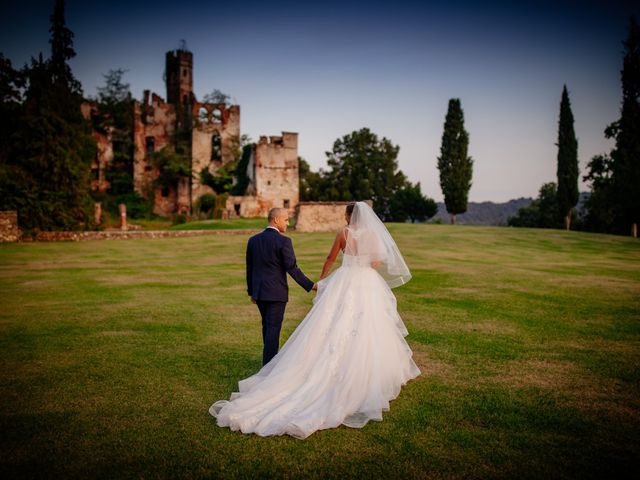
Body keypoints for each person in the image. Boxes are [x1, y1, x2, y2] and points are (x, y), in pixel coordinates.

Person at [209, 201, 420, 439]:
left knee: (325, 324)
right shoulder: (371, 236)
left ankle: (277, 369)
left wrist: (321, 283)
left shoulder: (343, 233)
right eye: (286, 218)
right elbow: (376, 263)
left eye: (345, 214)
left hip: (341, 281)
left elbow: (330, 259)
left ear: (351, 216)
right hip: (367, 283)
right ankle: (368, 370)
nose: (344, 218)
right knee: (371, 325)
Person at [245, 207, 317, 366]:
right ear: (276, 220)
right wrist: (311, 285)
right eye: (285, 219)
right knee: (272, 331)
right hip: (276, 294)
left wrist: (252, 292)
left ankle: (268, 363)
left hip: (259, 293)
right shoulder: (284, 241)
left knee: (267, 329)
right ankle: (268, 369)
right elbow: (292, 268)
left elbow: (250, 268)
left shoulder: (253, 240)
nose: (288, 223)